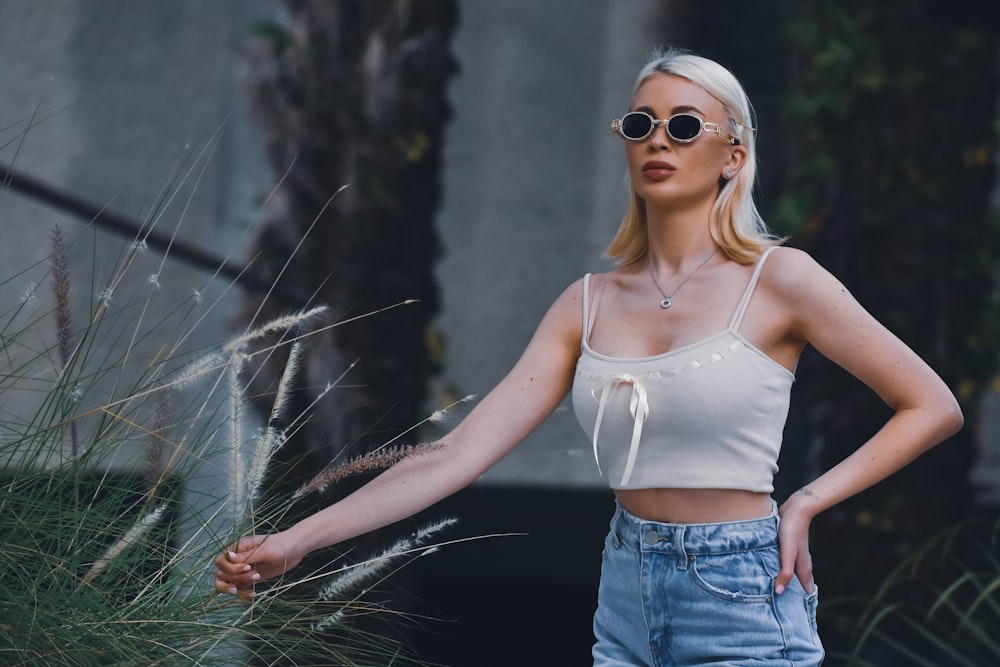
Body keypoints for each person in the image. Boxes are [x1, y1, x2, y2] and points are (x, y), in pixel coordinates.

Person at [216, 46, 963, 666]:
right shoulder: (587, 303)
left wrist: (805, 501)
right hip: (627, 589)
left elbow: (931, 405)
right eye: (641, 123)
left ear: (733, 155)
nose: (658, 139)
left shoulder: (782, 281)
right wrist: (295, 540)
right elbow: (454, 454)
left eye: (683, 124)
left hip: (742, 588)